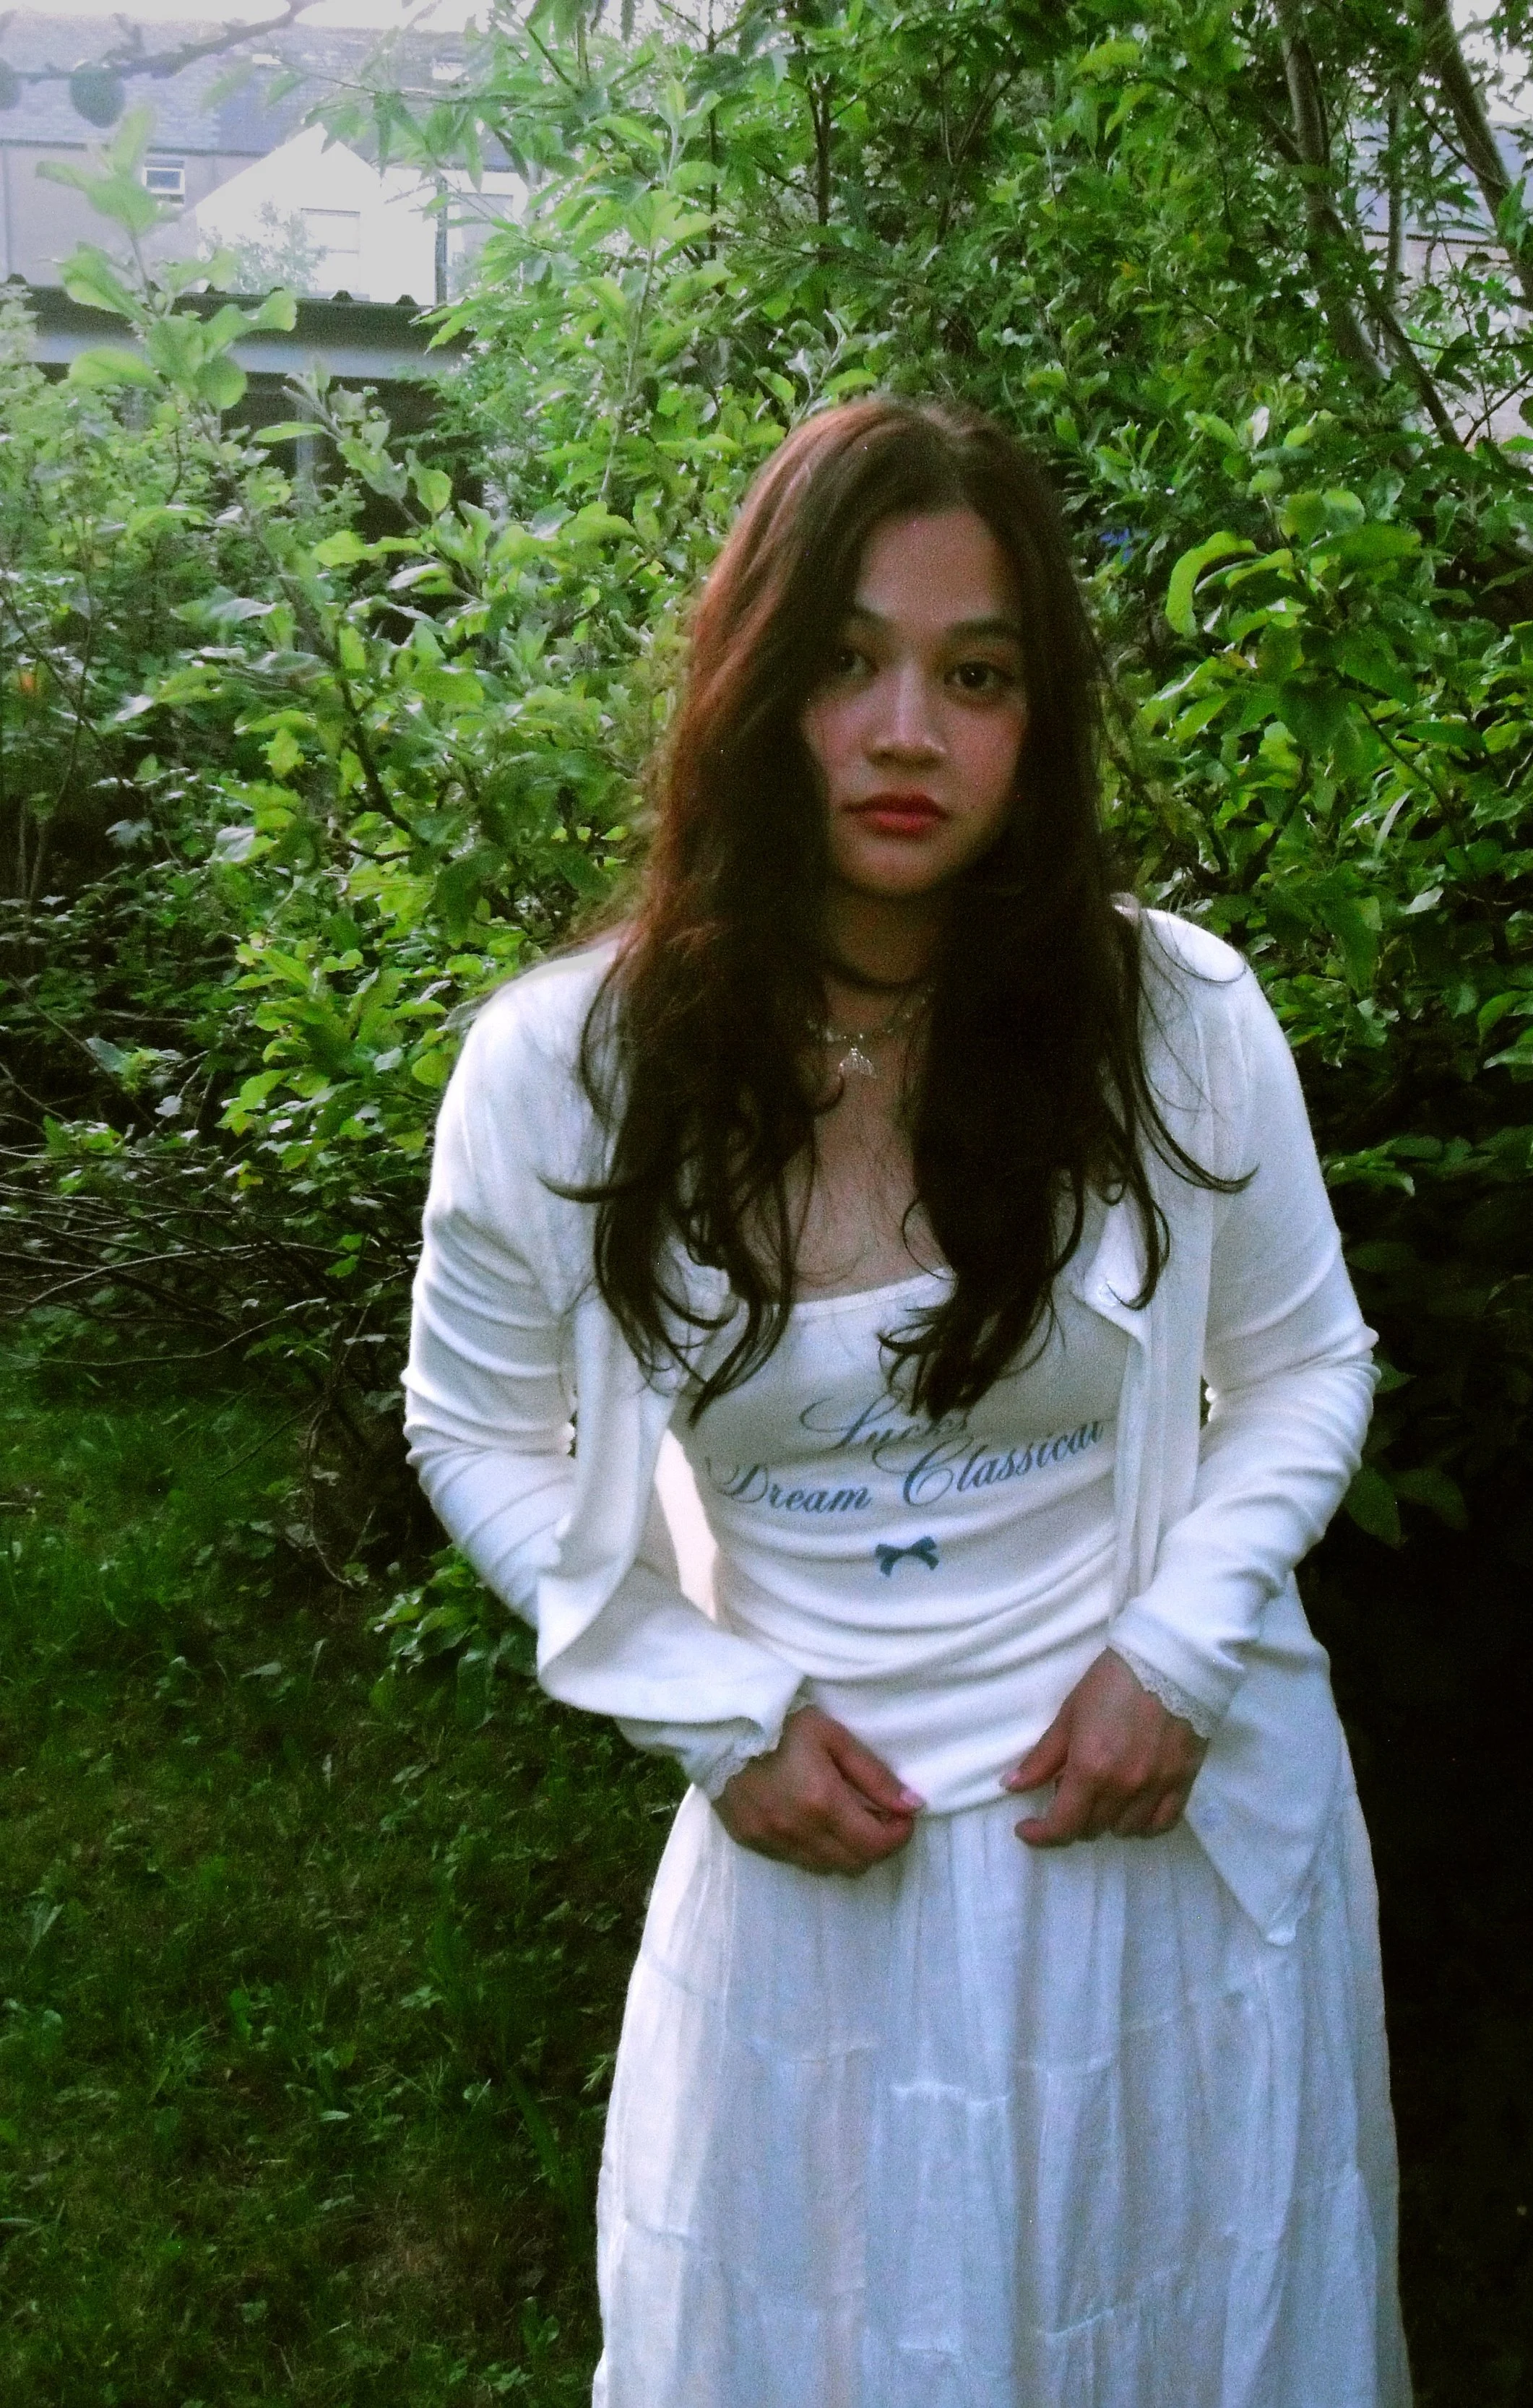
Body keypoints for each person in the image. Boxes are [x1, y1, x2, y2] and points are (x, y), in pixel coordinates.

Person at [403, 396, 1411, 2408]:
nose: (901, 733)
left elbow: (1303, 1364)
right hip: (812, 1845)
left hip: (1151, 1838)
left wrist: (1179, 1650)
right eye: (846, 662)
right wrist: (708, 1705)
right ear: (754, 685)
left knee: (1169, 2324)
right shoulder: (560, 1073)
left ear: (1037, 728)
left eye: (975, 677)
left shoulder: (1181, 1024)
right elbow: (475, 1426)